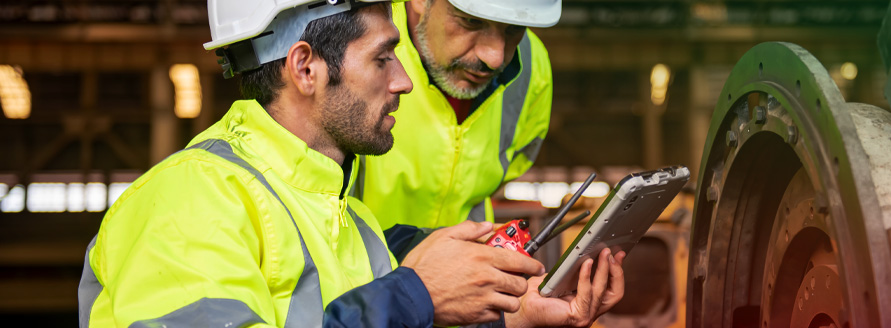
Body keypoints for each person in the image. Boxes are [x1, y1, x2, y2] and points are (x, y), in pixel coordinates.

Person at [78, 0, 625, 327]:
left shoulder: (352, 225)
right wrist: (416, 295)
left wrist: (516, 318)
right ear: (306, 68)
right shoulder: (189, 202)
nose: (405, 81)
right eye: (383, 58)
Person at [354, 0, 555, 229]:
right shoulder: (356, 44)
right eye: (471, 21)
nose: (495, 58)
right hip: (362, 261)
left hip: (465, 260)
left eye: (514, 29)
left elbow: (516, 162)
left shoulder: (531, 66)